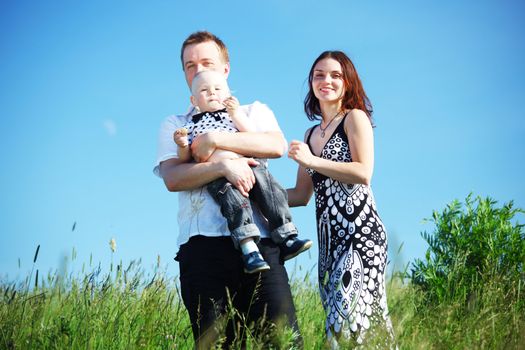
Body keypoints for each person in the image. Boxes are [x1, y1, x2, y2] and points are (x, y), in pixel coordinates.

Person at [154, 31, 303, 348]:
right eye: (190, 65)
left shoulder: (252, 111)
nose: (198, 70)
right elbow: (173, 178)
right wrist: (222, 167)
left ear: (225, 69)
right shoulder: (177, 124)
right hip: (202, 248)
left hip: (262, 243)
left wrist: (215, 142)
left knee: (283, 342)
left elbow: (274, 145)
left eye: (207, 62)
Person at [287, 51, 396, 347]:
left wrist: (312, 160)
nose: (327, 81)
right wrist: (255, 193)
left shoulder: (354, 118)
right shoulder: (309, 134)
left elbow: (363, 172)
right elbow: (299, 195)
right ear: (311, 82)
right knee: (342, 329)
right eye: (319, 74)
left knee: (352, 319)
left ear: (348, 83)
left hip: (361, 233)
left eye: (336, 75)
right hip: (330, 243)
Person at [173, 70, 312, 274]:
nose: (212, 93)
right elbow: (185, 159)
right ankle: (250, 250)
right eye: (204, 90)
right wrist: (182, 144)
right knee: (235, 205)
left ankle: (286, 236)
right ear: (194, 100)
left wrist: (236, 114)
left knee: (271, 191)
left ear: (228, 93)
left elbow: (251, 136)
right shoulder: (190, 125)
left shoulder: (232, 117)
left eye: (218, 89)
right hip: (219, 175)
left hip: (249, 164)